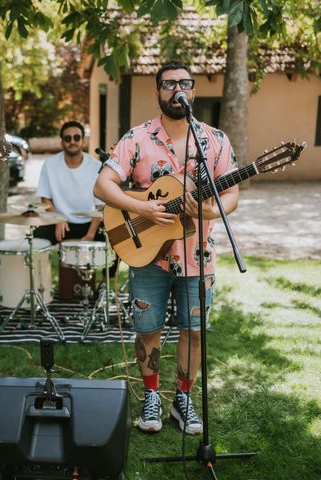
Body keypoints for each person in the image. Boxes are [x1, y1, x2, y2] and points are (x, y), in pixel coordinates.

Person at [93, 61, 239, 435]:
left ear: (193, 91)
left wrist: (205, 209)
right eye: (169, 83)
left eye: (185, 83)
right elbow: (103, 185)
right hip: (148, 257)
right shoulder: (136, 138)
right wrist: (141, 207)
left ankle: (185, 399)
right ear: (158, 90)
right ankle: (153, 396)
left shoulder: (215, 140)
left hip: (198, 256)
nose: (177, 89)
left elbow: (231, 193)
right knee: (148, 329)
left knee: (194, 331)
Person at [34, 121, 103, 245]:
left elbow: (100, 207)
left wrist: (90, 235)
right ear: (62, 143)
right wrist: (57, 219)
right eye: (67, 138)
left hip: (90, 222)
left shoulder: (96, 166)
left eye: (76, 137)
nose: (72, 141)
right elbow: (45, 199)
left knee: (112, 243)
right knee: (37, 238)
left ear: (83, 141)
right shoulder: (50, 165)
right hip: (61, 222)